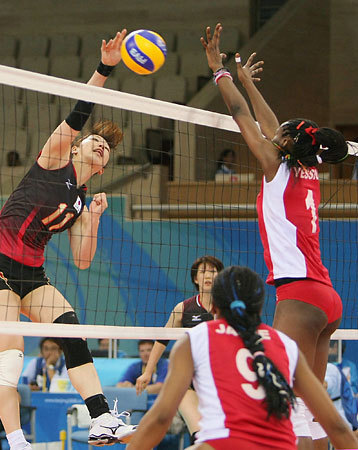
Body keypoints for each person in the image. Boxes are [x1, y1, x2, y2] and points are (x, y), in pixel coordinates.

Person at [0, 29, 136, 450]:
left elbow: (82, 259)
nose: (101, 146)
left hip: (32, 272)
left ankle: (100, 418)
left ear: (102, 168)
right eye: (95, 140)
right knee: (11, 358)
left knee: (71, 328)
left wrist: (94, 218)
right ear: (77, 147)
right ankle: (17, 441)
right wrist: (105, 68)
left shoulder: (82, 201)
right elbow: (79, 112)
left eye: (107, 149)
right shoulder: (53, 160)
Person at [201, 23, 349, 449]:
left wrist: (220, 72)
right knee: (311, 409)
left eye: (281, 132)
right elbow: (270, 124)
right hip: (326, 299)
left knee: (284, 405)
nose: (274, 130)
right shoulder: (308, 168)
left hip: (300, 296)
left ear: (285, 143)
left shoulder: (274, 166)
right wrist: (247, 80)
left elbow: (242, 116)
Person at [127, 266, 358, 450]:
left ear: (214, 307)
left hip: (225, 443)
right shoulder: (285, 344)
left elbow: (161, 419)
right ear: (260, 308)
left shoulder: (195, 339)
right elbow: (337, 427)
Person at [136, 255, 224, 443]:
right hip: (189, 382)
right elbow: (162, 340)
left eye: (213, 271)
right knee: (200, 437)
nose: (208, 275)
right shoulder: (183, 309)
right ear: (195, 278)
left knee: (220, 437)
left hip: (220, 382)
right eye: (203, 271)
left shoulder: (228, 309)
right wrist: (148, 372)